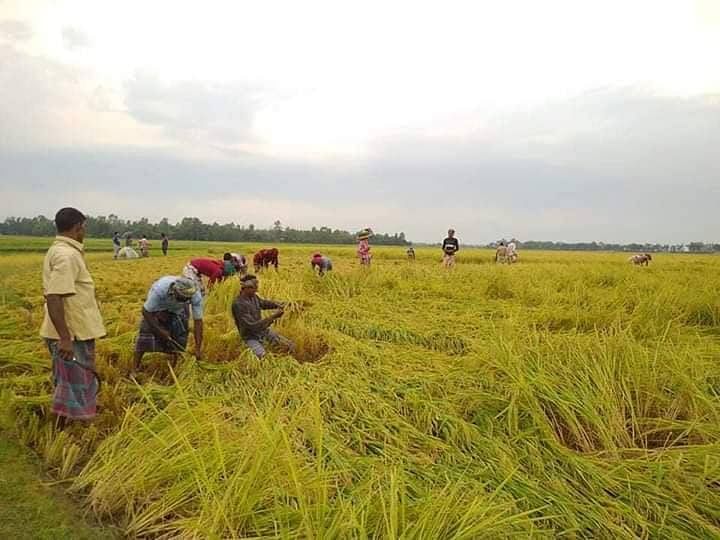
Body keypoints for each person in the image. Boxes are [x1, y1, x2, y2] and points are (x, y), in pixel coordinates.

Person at [40, 208, 106, 426]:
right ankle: (68, 431)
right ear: (78, 227)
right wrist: (65, 339)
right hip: (72, 333)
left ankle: (69, 427)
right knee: (74, 384)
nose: (84, 231)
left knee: (71, 382)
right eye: (84, 227)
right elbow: (54, 296)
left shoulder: (61, 251)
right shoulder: (67, 255)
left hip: (75, 330)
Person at [133, 276, 203, 370]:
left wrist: (198, 348)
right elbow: (146, 311)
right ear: (174, 292)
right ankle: (134, 368)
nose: (183, 301)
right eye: (181, 298)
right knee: (146, 334)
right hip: (158, 307)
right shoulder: (160, 290)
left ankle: (175, 366)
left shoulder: (194, 295)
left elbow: (198, 322)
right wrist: (160, 330)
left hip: (178, 310)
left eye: (186, 300)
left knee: (180, 337)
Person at [232, 274, 295, 358]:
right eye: (254, 287)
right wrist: (273, 316)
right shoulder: (239, 304)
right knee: (263, 357)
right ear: (247, 288)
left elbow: (264, 303)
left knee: (290, 346)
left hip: (263, 331)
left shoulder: (253, 297)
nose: (257, 289)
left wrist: (283, 304)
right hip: (250, 337)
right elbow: (253, 326)